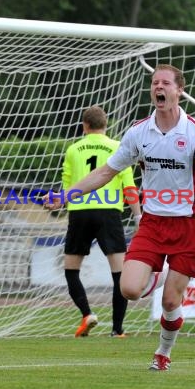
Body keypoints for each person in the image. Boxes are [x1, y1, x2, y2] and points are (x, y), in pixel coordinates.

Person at [44, 65, 195, 371]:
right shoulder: (138, 132)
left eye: (166, 83)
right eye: (155, 82)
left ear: (178, 91)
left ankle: (163, 352)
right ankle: (154, 274)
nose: (159, 87)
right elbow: (106, 172)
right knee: (129, 289)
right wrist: (67, 195)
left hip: (190, 225)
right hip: (154, 222)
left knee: (171, 302)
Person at [60, 105, 141, 338]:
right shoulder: (117, 147)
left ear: (84, 126)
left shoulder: (73, 149)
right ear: (106, 126)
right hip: (109, 213)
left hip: (80, 212)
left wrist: (60, 204)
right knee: (119, 273)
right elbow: (129, 185)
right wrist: (137, 215)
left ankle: (87, 314)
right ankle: (117, 329)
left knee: (71, 269)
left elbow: (67, 186)